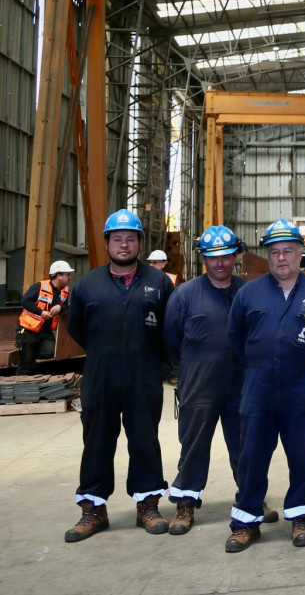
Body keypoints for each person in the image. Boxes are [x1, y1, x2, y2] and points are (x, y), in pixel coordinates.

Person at [225, 219, 305, 551]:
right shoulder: (249, 293)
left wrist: (302, 364)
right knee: (252, 456)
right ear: (268, 256)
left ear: (300, 253)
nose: (281, 258)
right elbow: (235, 338)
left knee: (303, 455)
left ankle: (302, 515)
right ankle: (246, 521)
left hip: (302, 387)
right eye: (274, 252)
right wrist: (259, 367)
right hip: (257, 388)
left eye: (288, 251)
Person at [64, 210, 175, 543]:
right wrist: (107, 352)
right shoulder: (87, 285)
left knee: (144, 440)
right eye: (117, 239)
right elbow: (77, 328)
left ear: (140, 242)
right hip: (101, 375)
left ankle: (148, 505)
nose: (124, 245)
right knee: (96, 442)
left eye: (130, 238)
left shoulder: (159, 283)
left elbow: (170, 329)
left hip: (144, 375)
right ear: (107, 243)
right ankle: (93, 509)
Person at [163, 225, 279, 535]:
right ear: (202, 258)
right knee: (193, 446)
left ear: (236, 256)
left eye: (226, 257)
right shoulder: (184, 295)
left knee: (246, 445)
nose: (219, 264)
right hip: (198, 385)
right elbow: (171, 340)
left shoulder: (249, 293)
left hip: (241, 385)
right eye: (212, 258)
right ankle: (185, 502)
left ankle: (251, 499)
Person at [16, 260, 73, 374]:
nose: (70, 277)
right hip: (26, 329)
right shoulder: (39, 286)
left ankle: (32, 358)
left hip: (45, 331)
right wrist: (40, 312)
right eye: (68, 275)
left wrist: (60, 307)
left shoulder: (65, 290)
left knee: (50, 352)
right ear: (59, 276)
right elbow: (25, 301)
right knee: (25, 363)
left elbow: (65, 305)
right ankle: (21, 382)